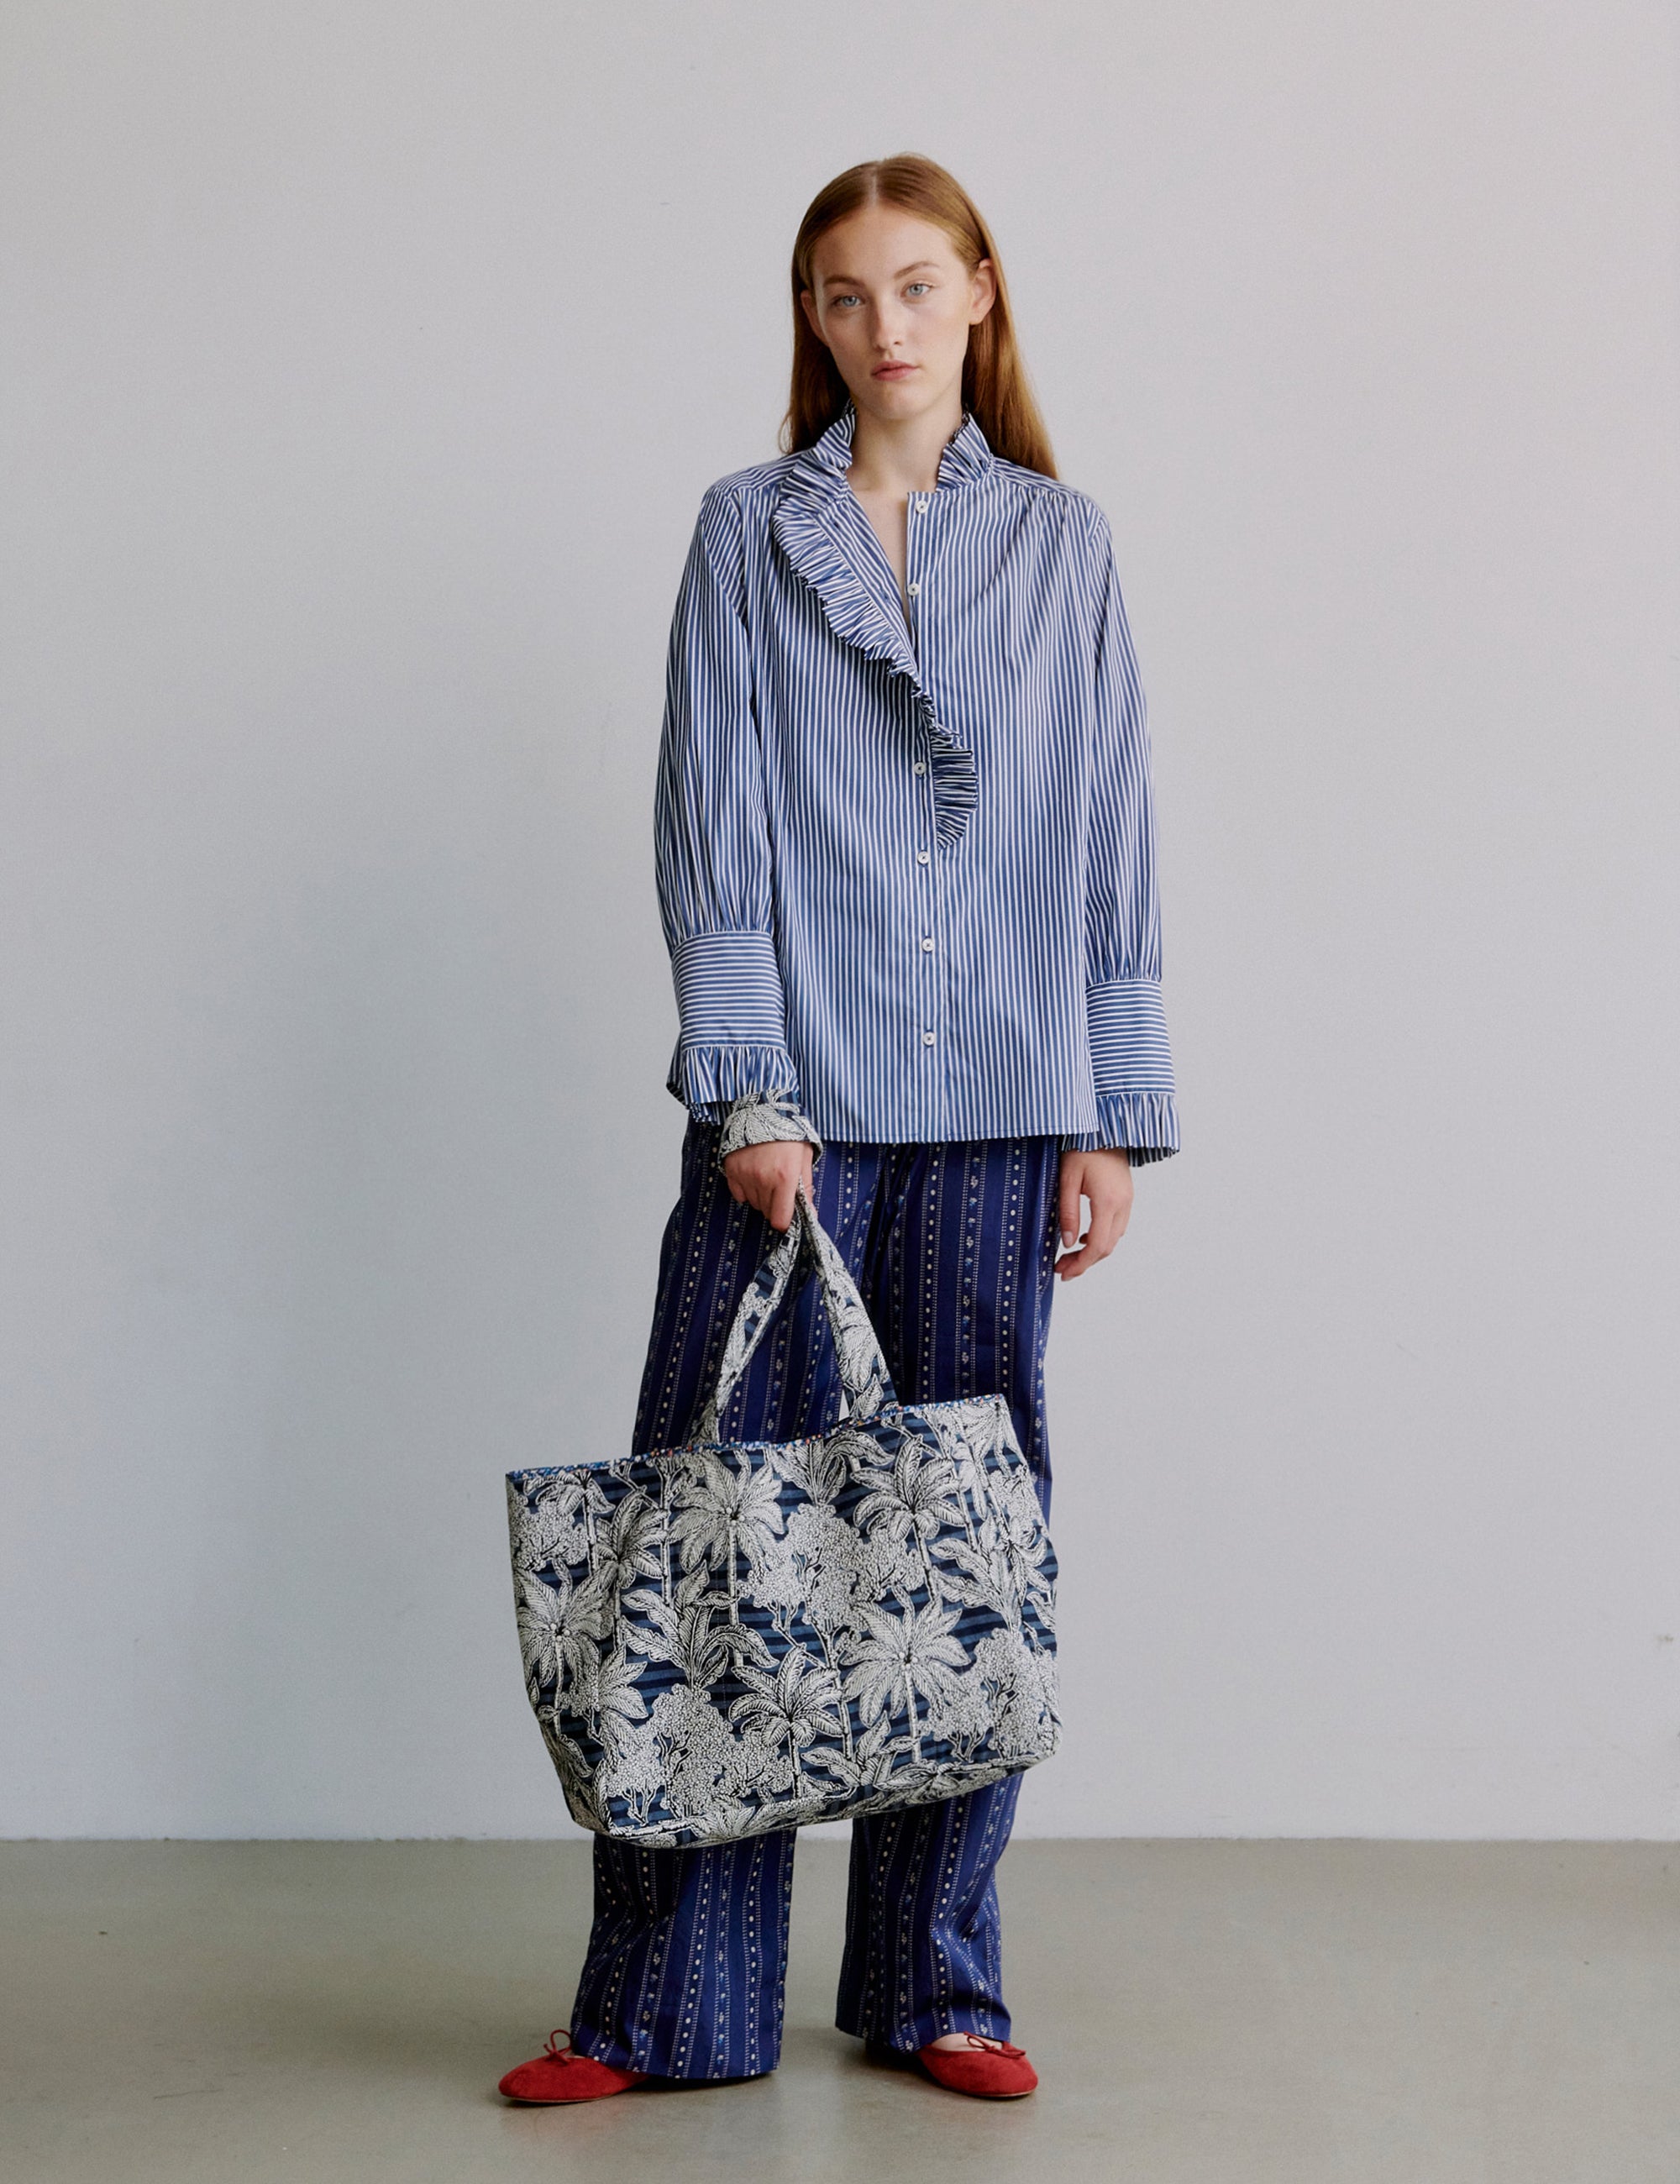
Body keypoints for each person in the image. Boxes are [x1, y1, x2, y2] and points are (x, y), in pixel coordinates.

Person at [498, 150, 1178, 2108]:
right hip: (794, 1115)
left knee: (958, 1552)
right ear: (812, 323)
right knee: (716, 1530)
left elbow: (1106, 830)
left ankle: (935, 1984)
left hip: (998, 1112)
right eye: (836, 295)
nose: (877, 327)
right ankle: (662, 2005)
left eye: (908, 286)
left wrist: (1108, 1115)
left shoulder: (1065, 544)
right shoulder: (746, 530)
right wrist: (750, 1091)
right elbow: (710, 820)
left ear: (978, 292)